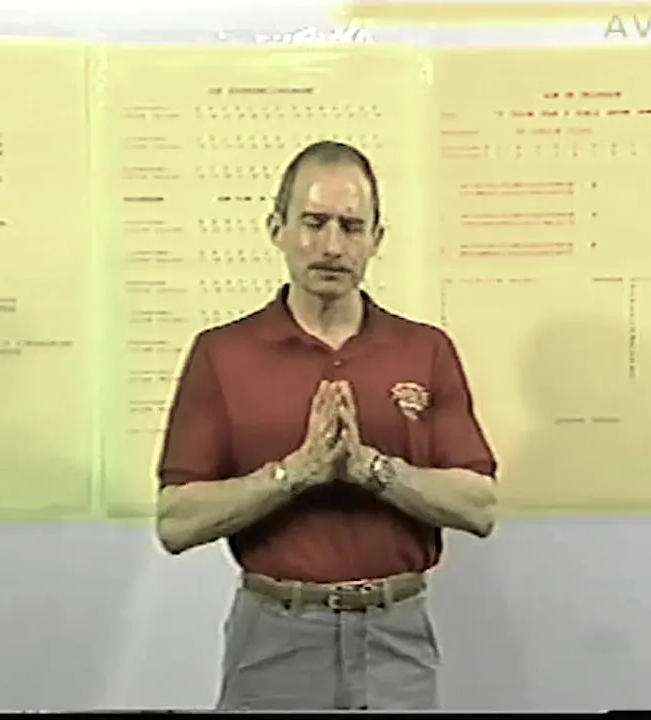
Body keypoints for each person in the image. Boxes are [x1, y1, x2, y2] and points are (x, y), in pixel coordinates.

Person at [154, 140, 499, 711]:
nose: (332, 246)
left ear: (376, 239)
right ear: (277, 229)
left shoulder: (425, 349)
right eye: (314, 223)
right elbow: (175, 521)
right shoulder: (222, 353)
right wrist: (293, 474)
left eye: (351, 226)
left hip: (396, 638)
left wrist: (373, 471)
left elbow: (479, 507)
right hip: (274, 638)